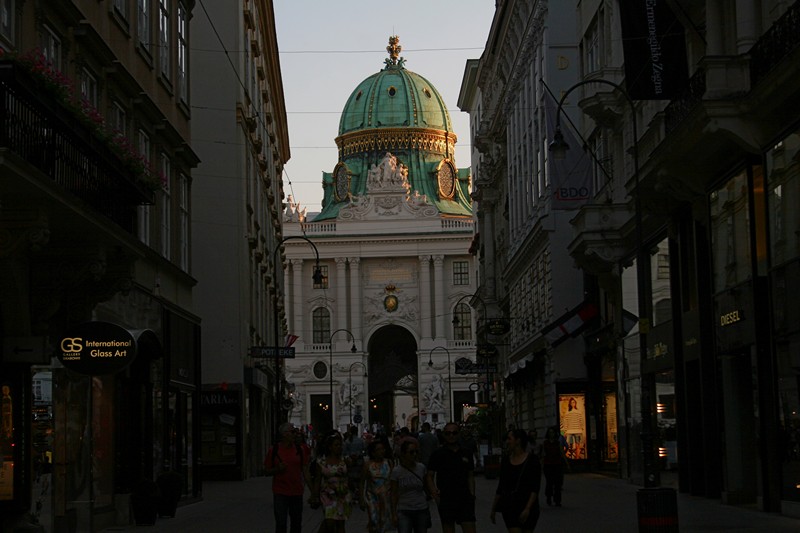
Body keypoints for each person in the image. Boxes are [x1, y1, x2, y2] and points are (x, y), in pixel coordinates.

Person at [425, 422, 476, 533]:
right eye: (448, 433)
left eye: (454, 433)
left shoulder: (466, 452)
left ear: (458, 434)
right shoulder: (437, 454)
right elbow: (429, 475)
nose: (451, 436)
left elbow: (470, 475)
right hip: (446, 498)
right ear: (444, 435)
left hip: (464, 497)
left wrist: (472, 494)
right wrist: (435, 495)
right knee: (448, 528)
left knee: (470, 528)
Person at [264, 422, 312, 533]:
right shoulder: (274, 450)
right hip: (280, 492)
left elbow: (305, 471)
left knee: (296, 523)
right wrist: (277, 469)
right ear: (285, 434)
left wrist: (313, 491)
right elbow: (266, 471)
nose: (295, 434)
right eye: (292, 432)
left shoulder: (300, 450)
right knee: (281, 523)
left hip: (297, 492)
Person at [490, 429, 541, 532]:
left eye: (509, 439)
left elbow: (535, 487)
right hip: (510, 506)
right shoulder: (506, 460)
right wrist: (493, 508)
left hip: (528, 505)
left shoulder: (532, 460)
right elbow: (501, 486)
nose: (507, 442)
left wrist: (527, 508)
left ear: (518, 441)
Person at [310, 431, 352, 533]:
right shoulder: (321, 462)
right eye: (336, 445)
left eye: (340, 445)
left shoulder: (345, 461)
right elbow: (317, 480)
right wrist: (314, 496)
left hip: (342, 495)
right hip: (328, 495)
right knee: (329, 522)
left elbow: (349, 476)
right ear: (330, 447)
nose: (339, 447)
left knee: (340, 523)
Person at [391, 438, 431, 533]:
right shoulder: (396, 471)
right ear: (404, 454)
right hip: (404, 509)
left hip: (421, 508)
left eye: (416, 452)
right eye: (411, 452)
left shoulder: (421, 468)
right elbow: (394, 493)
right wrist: (393, 513)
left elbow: (426, 486)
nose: (414, 455)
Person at [360, 439, 393, 533]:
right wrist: (361, 499)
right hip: (372, 496)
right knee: (373, 519)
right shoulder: (368, 465)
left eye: (383, 449)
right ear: (373, 452)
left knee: (384, 520)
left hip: (386, 496)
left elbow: (393, 480)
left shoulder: (389, 463)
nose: (382, 451)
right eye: (378, 449)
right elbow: (362, 482)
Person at [540, 426, 568, 507]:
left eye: (552, 432)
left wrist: (567, 463)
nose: (551, 434)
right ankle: (549, 496)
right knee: (549, 482)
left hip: (557, 464)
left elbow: (562, 453)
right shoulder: (545, 443)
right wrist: (541, 465)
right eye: (550, 433)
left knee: (557, 483)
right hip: (548, 465)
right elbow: (543, 454)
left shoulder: (557, 443)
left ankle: (557, 500)